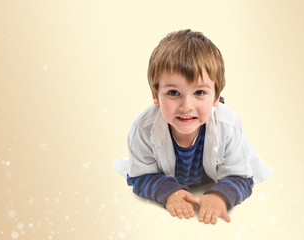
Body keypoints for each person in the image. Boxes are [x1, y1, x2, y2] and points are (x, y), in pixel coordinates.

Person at [114, 29, 272, 224]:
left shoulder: (228, 126)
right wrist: (170, 192)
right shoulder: (143, 128)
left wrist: (219, 196)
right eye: (173, 92)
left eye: (199, 92)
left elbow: (241, 177)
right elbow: (140, 176)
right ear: (155, 95)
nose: (186, 106)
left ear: (215, 97)